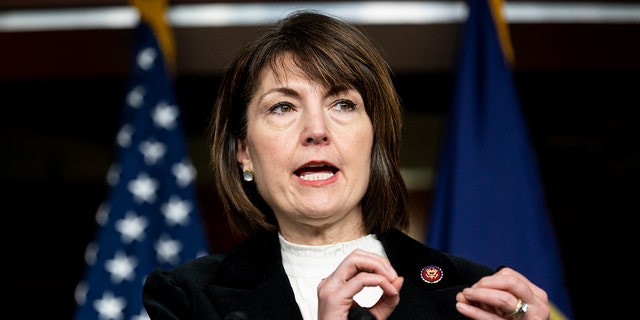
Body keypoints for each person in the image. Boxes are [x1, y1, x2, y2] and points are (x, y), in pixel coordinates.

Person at [142, 10, 550, 320]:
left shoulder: (472, 293)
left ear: (373, 141)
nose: (316, 130)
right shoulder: (186, 299)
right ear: (244, 151)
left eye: (343, 104)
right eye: (283, 107)